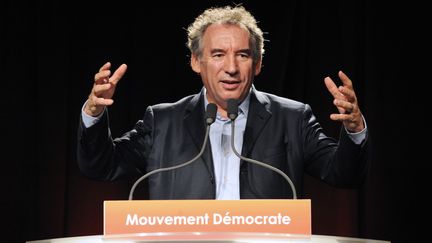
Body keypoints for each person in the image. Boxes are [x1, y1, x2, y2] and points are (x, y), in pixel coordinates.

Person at [77, 5, 369, 200]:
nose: (231, 67)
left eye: (242, 55)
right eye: (218, 54)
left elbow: (344, 174)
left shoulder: (292, 118)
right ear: (196, 61)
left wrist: (355, 130)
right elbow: (102, 166)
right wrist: (93, 115)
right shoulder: (163, 121)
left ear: (257, 64)